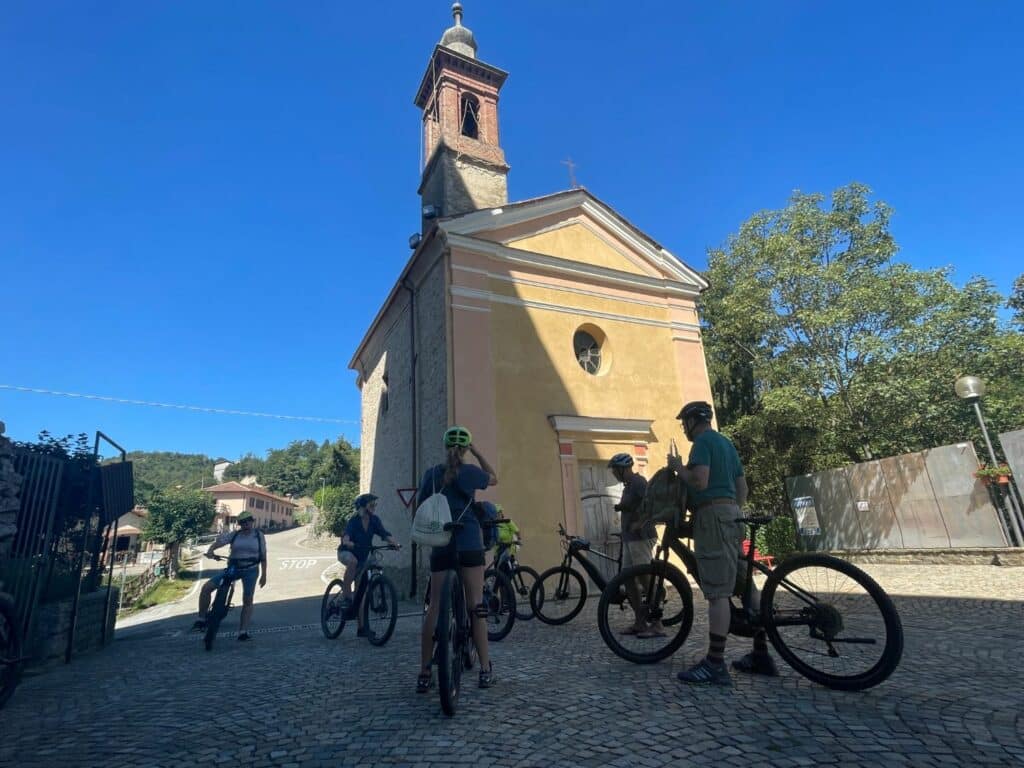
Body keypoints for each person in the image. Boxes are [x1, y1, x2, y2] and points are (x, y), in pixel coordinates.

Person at [667, 401, 777, 685]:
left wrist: (679, 468)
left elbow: (700, 481)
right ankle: (761, 653)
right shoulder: (726, 444)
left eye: (684, 423)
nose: (685, 429)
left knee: (717, 591)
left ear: (693, 421)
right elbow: (743, 488)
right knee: (745, 584)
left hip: (712, 516)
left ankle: (715, 664)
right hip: (733, 515)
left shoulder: (702, 442)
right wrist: (732, 511)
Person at [417, 426, 498, 693]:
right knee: (476, 605)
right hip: (469, 542)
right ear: (464, 449)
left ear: (445, 447)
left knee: (435, 607)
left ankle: (425, 672)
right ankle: (485, 670)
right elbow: (494, 478)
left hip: (442, 544)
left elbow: (420, 507)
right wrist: (477, 452)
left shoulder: (431, 475)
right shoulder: (471, 473)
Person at [608, 453, 662, 638]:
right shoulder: (628, 486)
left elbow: (652, 506)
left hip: (641, 537)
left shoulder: (639, 483)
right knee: (628, 578)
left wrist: (640, 522)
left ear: (624, 469)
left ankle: (657, 623)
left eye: (615, 470)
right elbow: (633, 506)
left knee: (644, 578)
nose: (614, 473)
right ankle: (640, 622)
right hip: (630, 538)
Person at [192, 510, 267, 641]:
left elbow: (263, 556)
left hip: (251, 570)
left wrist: (264, 575)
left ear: (252, 521)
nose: (246, 524)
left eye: (248, 521)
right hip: (233, 568)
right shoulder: (235, 535)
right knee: (206, 588)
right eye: (242, 522)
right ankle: (201, 619)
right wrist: (211, 550)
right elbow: (220, 541)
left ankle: (243, 632)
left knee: (247, 600)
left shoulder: (258, 536)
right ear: (239, 524)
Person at [338, 493, 402, 636]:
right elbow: (346, 537)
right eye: (371, 505)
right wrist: (348, 543)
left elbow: (384, 534)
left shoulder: (374, 521)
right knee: (353, 562)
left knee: (363, 592)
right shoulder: (354, 521)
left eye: (375, 505)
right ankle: (346, 596)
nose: (374, 507)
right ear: (362, 507)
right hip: (348, 552)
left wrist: (395, 543)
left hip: (363, 556)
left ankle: (362, 628)